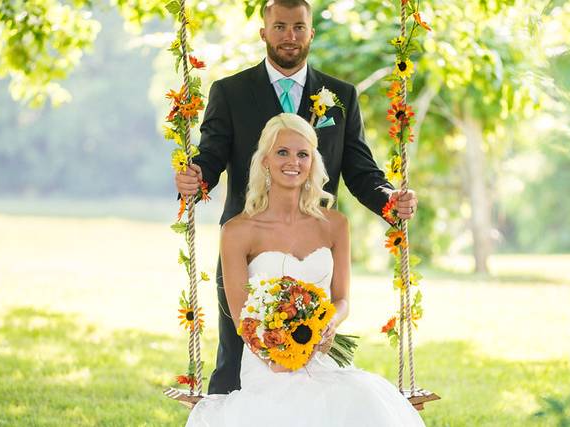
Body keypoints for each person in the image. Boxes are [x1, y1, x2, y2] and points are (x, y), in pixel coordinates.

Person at [175, 0, 418, 395]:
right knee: (238, 356)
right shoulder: (231, 91)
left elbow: (360, 170)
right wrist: (195, 176)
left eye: (299, 27)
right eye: (280, 27)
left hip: (313, 241)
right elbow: (211, 155)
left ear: (311, 32)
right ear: (264, 32)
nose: (290, 36)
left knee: (308, 347)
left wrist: (390, 199)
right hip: (251, 249)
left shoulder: (340, 95)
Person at [185, 113, 424, 426]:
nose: (292, 162)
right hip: (266, 364)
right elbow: (243, 318)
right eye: (282, 152)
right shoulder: (237, 231)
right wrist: (281, 353)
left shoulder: (335, 225)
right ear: (265, 160)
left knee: (363, 398)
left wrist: (328, 324)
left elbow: (341, 300)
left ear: (313, 162)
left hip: (323, 359)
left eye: (303, 154)